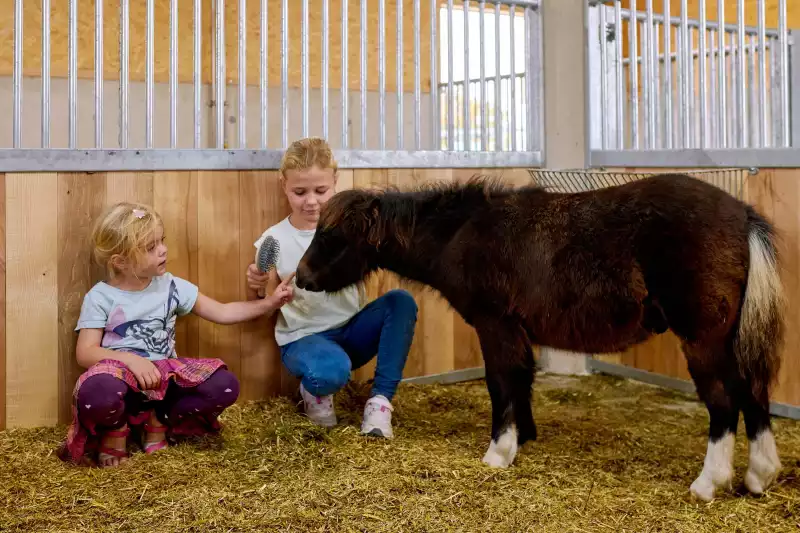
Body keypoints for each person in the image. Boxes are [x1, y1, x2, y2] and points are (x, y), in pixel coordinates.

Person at [58, 202, 294, 467]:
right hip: (121, 378)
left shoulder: (172, 286)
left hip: (164, 377)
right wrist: (131, 360)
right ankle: (116, 431)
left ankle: (158, 422)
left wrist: (270, 303)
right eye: (151, 247)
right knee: (98, 391)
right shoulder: (101, 296)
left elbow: (223, 312)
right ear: (120, 261)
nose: (163, 250)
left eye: (162, 241)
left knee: (224, 385)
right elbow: (86, 352)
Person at [246, 137, 418, 438]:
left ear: (335, 182)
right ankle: (316, 389)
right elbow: (266, 303)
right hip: (304, 338)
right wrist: (263, 286)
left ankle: (379, 403)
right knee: (332, 371)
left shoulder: (352, 231)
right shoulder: (274, 239)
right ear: (284, 185)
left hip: (352, 331)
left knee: (401, 302)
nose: (311, 201)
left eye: (320, 191)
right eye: (300, 192)